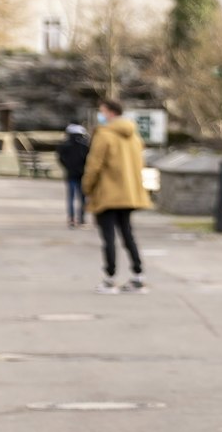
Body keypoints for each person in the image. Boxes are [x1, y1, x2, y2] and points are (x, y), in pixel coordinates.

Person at [82, 98, 151, 294]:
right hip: (128, 194)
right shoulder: (134, 136)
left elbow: (94, 165)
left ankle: (110, 278)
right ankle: (138, 275)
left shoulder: (104, 135)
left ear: (110, 112)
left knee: (108, 237)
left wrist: (87, 188)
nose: (101, 115)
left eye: (102, 111)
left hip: (108, 194)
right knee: (128, 233)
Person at [56, 124, 89, 227]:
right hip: (82, 173)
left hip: (70, 173)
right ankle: (82, 218)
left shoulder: (65, 144)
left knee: (71, 197)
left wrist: (67, 167)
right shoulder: (85, 145)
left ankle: (71, 218)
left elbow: (60, 158)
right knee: (82, 198)